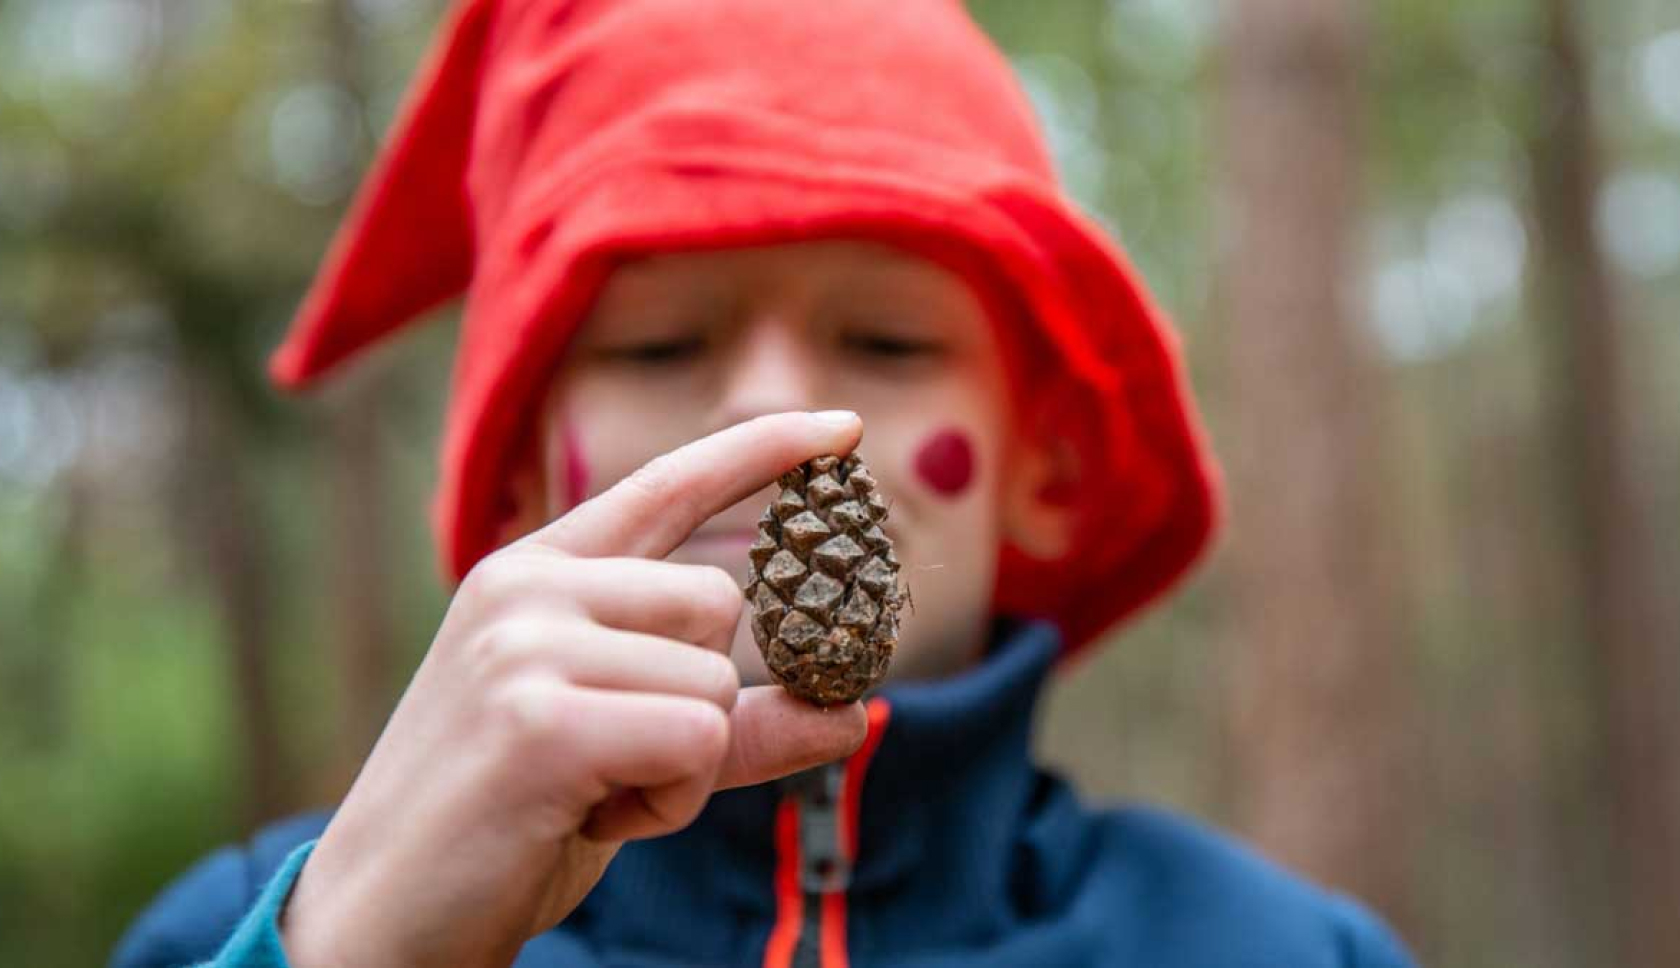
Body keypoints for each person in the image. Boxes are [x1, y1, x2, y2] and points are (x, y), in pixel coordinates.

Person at [113, 1, 1415, 965]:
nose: (774, 410)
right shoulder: (273, 919)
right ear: (517, 486)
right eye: (660, 344)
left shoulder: (1274, 946)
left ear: (1045, 472)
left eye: (890, 343)